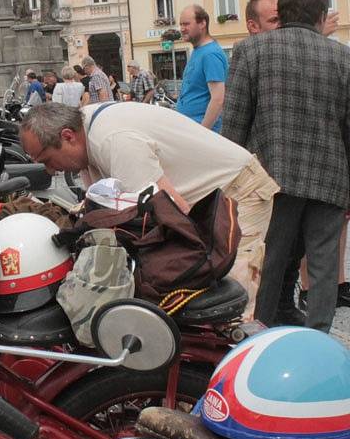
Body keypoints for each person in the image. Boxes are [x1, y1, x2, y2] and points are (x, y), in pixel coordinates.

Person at [20, 102, 278, 319]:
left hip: (237, 188)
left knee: (230, 292)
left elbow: (171, 211)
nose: (51, 171)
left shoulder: (115, 141)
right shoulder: (84, 127)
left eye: (47, 160)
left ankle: (236, 367)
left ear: (67, 136)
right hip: (204, 196)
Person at [223, 0, 350, 332]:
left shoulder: (251, 51)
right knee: (324, 265)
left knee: (268, 261)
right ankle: (319, 338)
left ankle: (258, 337)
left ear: (282, 11)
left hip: (269, 180)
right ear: (320, 15)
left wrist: (229, 185)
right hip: (330, 178)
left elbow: (234, 126)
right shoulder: (342, 56)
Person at [176, 5, 228, 132]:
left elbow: (218, 99)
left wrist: (202, 134)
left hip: (201, 133)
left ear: (202, 23)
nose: (182, 29)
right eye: (181, 24)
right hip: (191, 129)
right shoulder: (199, 51)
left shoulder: (210, 54)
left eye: (186, 24)